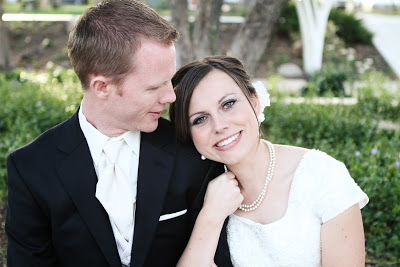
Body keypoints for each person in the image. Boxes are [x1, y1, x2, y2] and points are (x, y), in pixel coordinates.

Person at [5, 1, 231, 266]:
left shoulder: (191, 151)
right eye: (153, 88)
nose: (170, 96)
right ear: (101, 87)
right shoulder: (31, 168)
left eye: (170, 80)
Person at [170, 55, 369, 267]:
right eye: (200, 119)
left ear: (254, 102)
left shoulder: (322, 175)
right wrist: (210, 217)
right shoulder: (201, 195)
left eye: (228, 104)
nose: (219, 125)